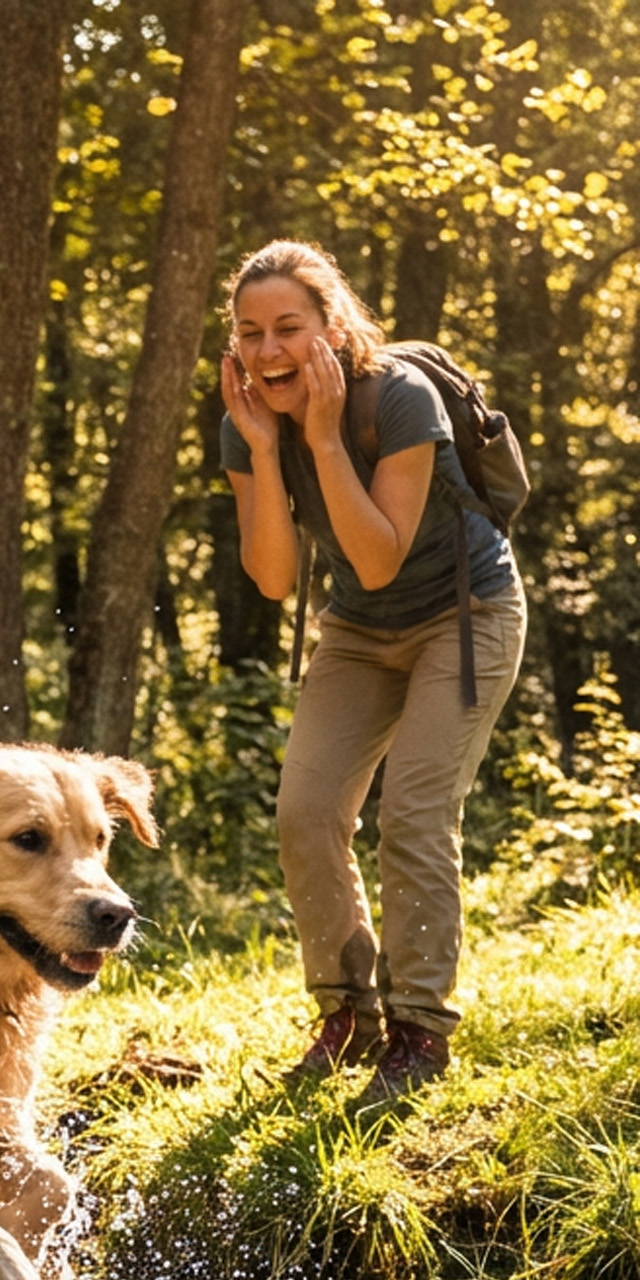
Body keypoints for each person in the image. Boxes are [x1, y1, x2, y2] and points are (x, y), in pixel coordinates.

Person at [219, 239, 526, 1105]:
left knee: (416, 809)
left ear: (332, 326)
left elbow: (380, 556)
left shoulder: (397, 397)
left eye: (288, 328)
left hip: (466, 617)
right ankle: (347, 1013)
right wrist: (268, 448)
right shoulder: (247, 424)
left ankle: (420, 1030)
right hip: (359, 633)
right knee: (307, 812)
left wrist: (320, 437)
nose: (269, 350)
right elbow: (276, 579)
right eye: (251, 333)